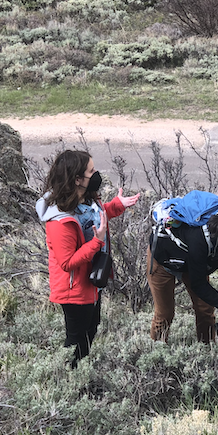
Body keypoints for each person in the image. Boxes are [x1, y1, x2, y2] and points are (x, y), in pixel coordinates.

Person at [36, 150, 140, 363]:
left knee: (91, 330)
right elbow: (67, 263)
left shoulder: (87, 199)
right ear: (77, 179)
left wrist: (117, 205)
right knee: (76, 339)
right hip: (73, 288)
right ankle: (69, 380)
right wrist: (97, 242)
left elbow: (96, 218)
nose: (96, 175)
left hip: (92, 280)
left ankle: (79, 373)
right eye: (91, 171)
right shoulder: (59, 221)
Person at [147, 200, 218, 343]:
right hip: (163, 260)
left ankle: (205, 346)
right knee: (165, 313)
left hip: (193, 261)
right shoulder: (201, 239)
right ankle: (157, 349)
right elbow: (199, 285)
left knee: (205, 308)